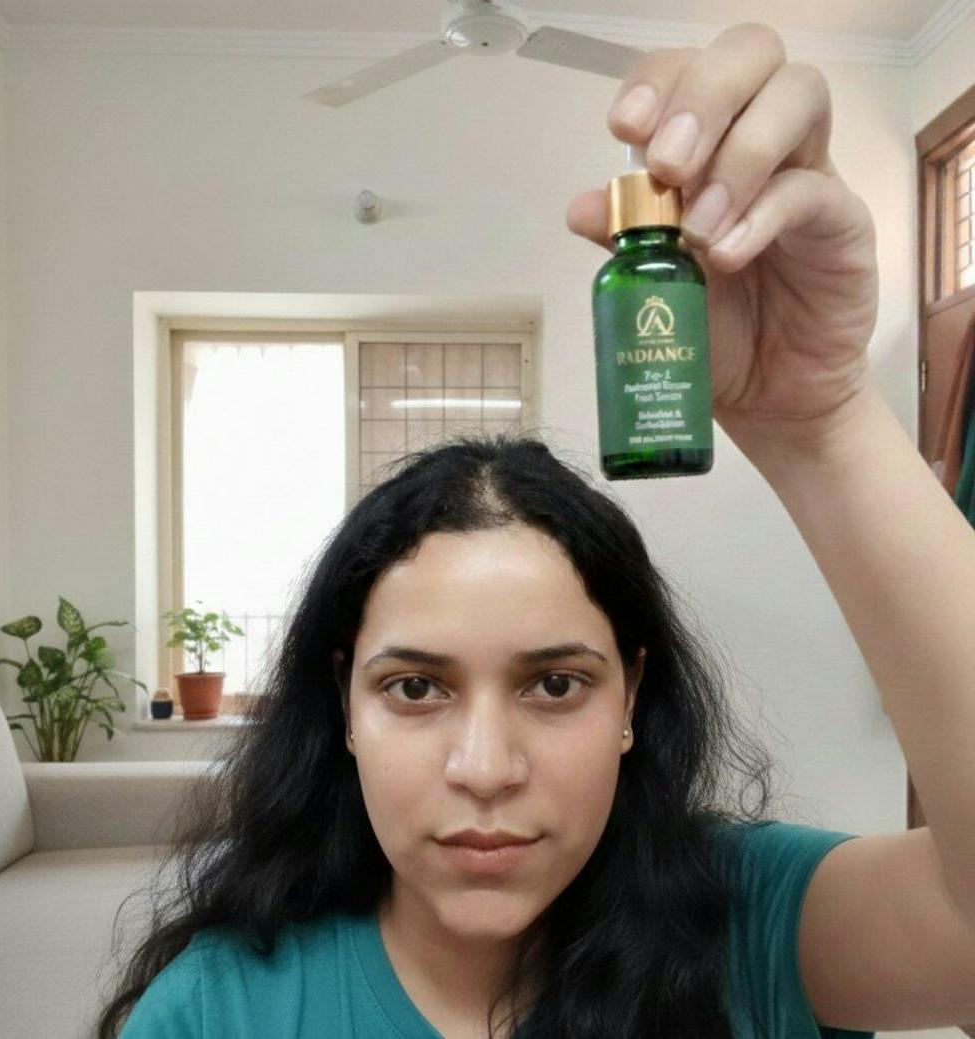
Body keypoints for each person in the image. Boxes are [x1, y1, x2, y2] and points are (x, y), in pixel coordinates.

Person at [98, 20, 975, 1039]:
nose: (484, 768)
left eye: (554, 685)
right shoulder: (220, 1010)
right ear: (343, 704)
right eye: (414, 687)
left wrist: (822, 418)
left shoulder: (745, 928)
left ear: (630, 697)